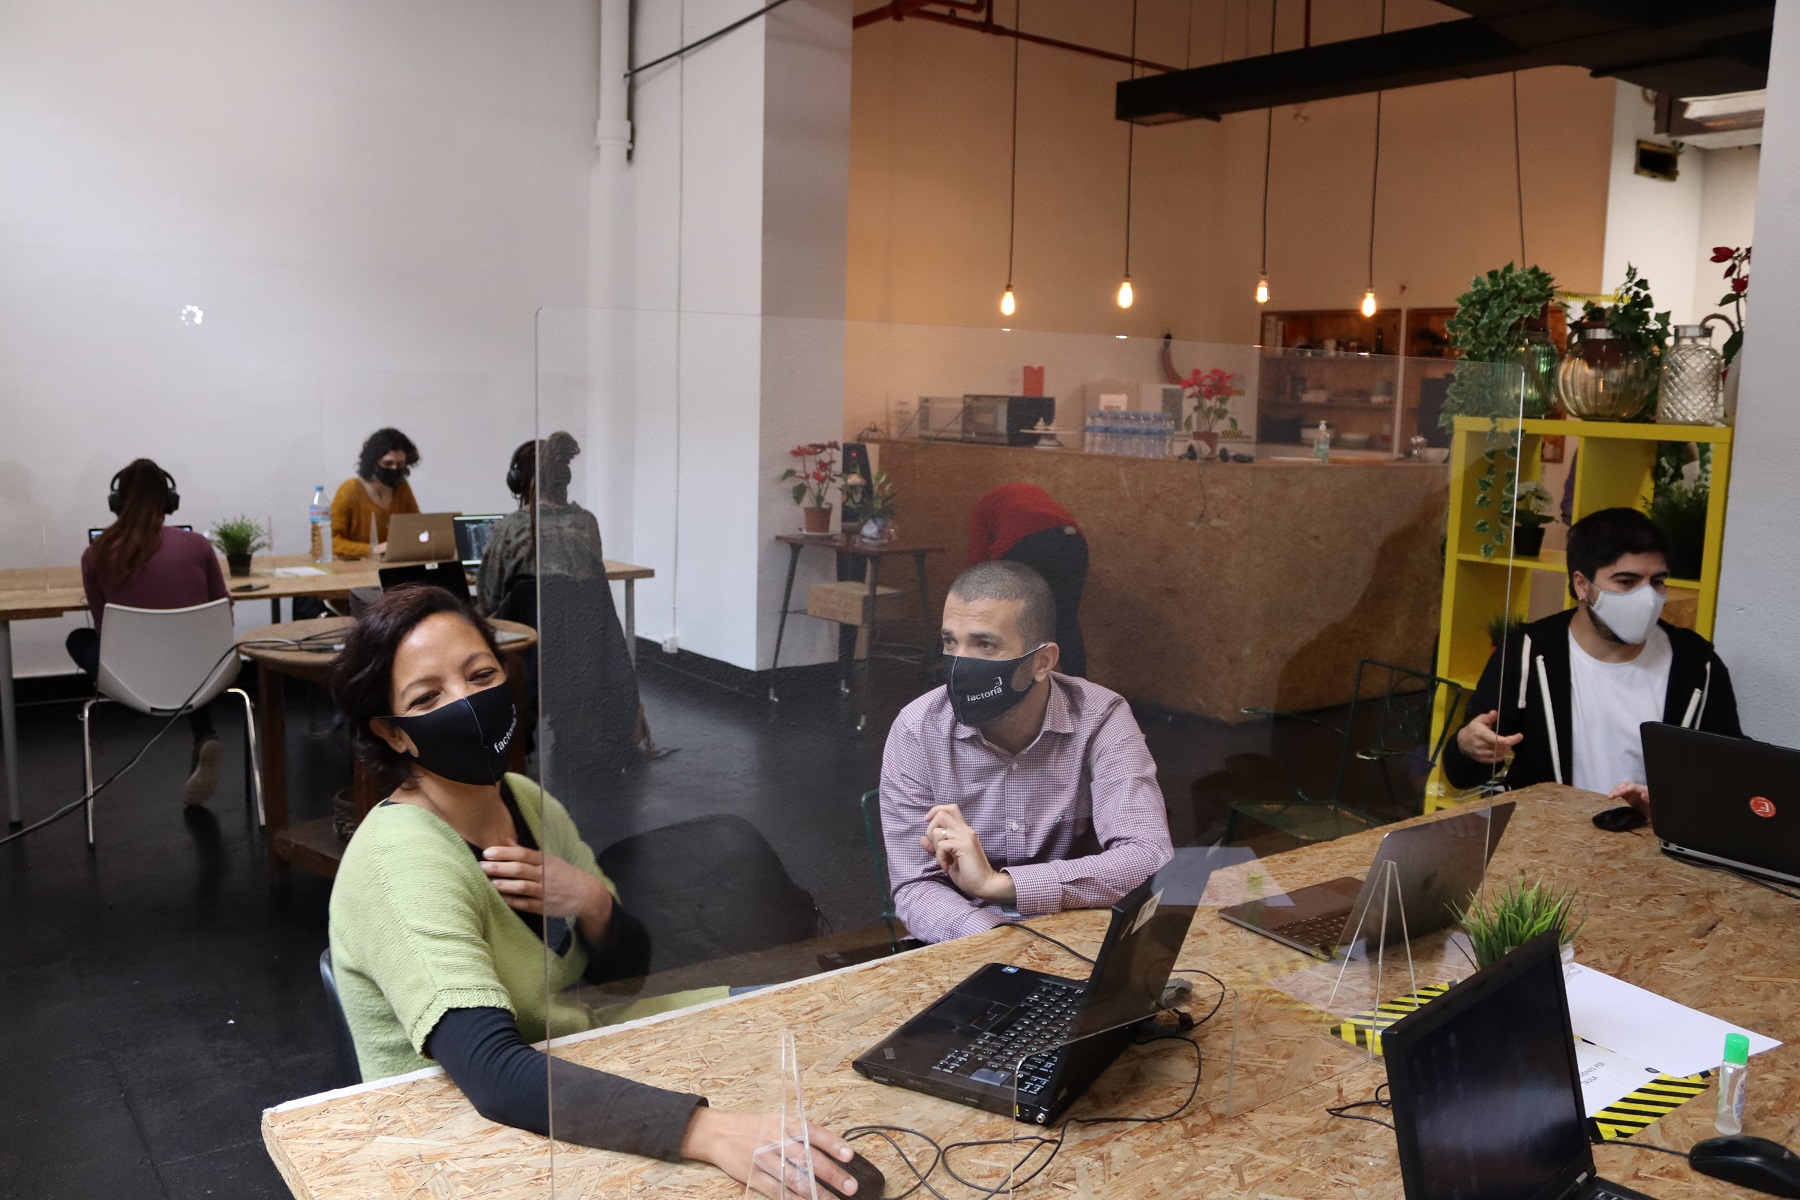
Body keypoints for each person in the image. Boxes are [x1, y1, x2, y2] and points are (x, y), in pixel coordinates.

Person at [326, 586, 864, 1195]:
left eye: (480, 675)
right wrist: (706, 1132)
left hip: (572, 1062)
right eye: (428, 697)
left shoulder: (525, 801)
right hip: (463, 1140)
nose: (467, 703)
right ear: (395, 734)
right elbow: (491, 1072)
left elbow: (624, 975)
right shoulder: (402, 860)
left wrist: (592, 902)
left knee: (810, 1030)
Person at [879, 560, 1171, 944]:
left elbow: (1149, 857)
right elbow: (915, 887)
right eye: (950, 642)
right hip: (967, 943)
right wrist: (1006, 944)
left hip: (1079, 936)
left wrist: (998, 885)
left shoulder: (1101, 717)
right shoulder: (918, 729)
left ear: (1041, 662)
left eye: (984, 644)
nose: (959, 663)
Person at [1441, 507, 1740, 811]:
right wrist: (1468, 746)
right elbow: (1461, 774)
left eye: (1658, 581)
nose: (1648, 598)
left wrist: (1667, 803)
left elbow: (1732, 774)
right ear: (1582, 584)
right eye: (1627, 581)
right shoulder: (1528, 652)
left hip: (1650, 838)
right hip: (1550, 833)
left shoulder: (1697, 665)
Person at [476, 433, 654, 775]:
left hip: (530, 662)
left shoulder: (511, 527)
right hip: (583, 664)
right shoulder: (587, 523)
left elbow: (489, 600)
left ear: (521, 480)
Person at [70, 458, 230, 807]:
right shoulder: (198, 546)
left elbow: (102, 626)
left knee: (78, 640)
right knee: (187, 651)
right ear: (169, 502)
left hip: (129, 678)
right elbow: (224, 613)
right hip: (199, 675)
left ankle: (200, 729)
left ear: (116, 503)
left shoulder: (95, 553)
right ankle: (205, 734)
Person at [968, 483, 1089, 677]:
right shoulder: (1031, 493)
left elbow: (977, 562)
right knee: (1065, 623)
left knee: (1018, 623)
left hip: (1025, 544)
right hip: (1072, 540)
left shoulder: (982, 506)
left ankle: (1017, 686)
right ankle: (1078, 690)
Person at [332, 427, 421, 560]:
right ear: (372, 462)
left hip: (393, 565)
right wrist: (372, 549)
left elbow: (417, 528)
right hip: (358, 567)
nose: (394, 469)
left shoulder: (402, 488)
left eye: (400, 464)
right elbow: (329, 542)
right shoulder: (350, 490)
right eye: (388, 463)